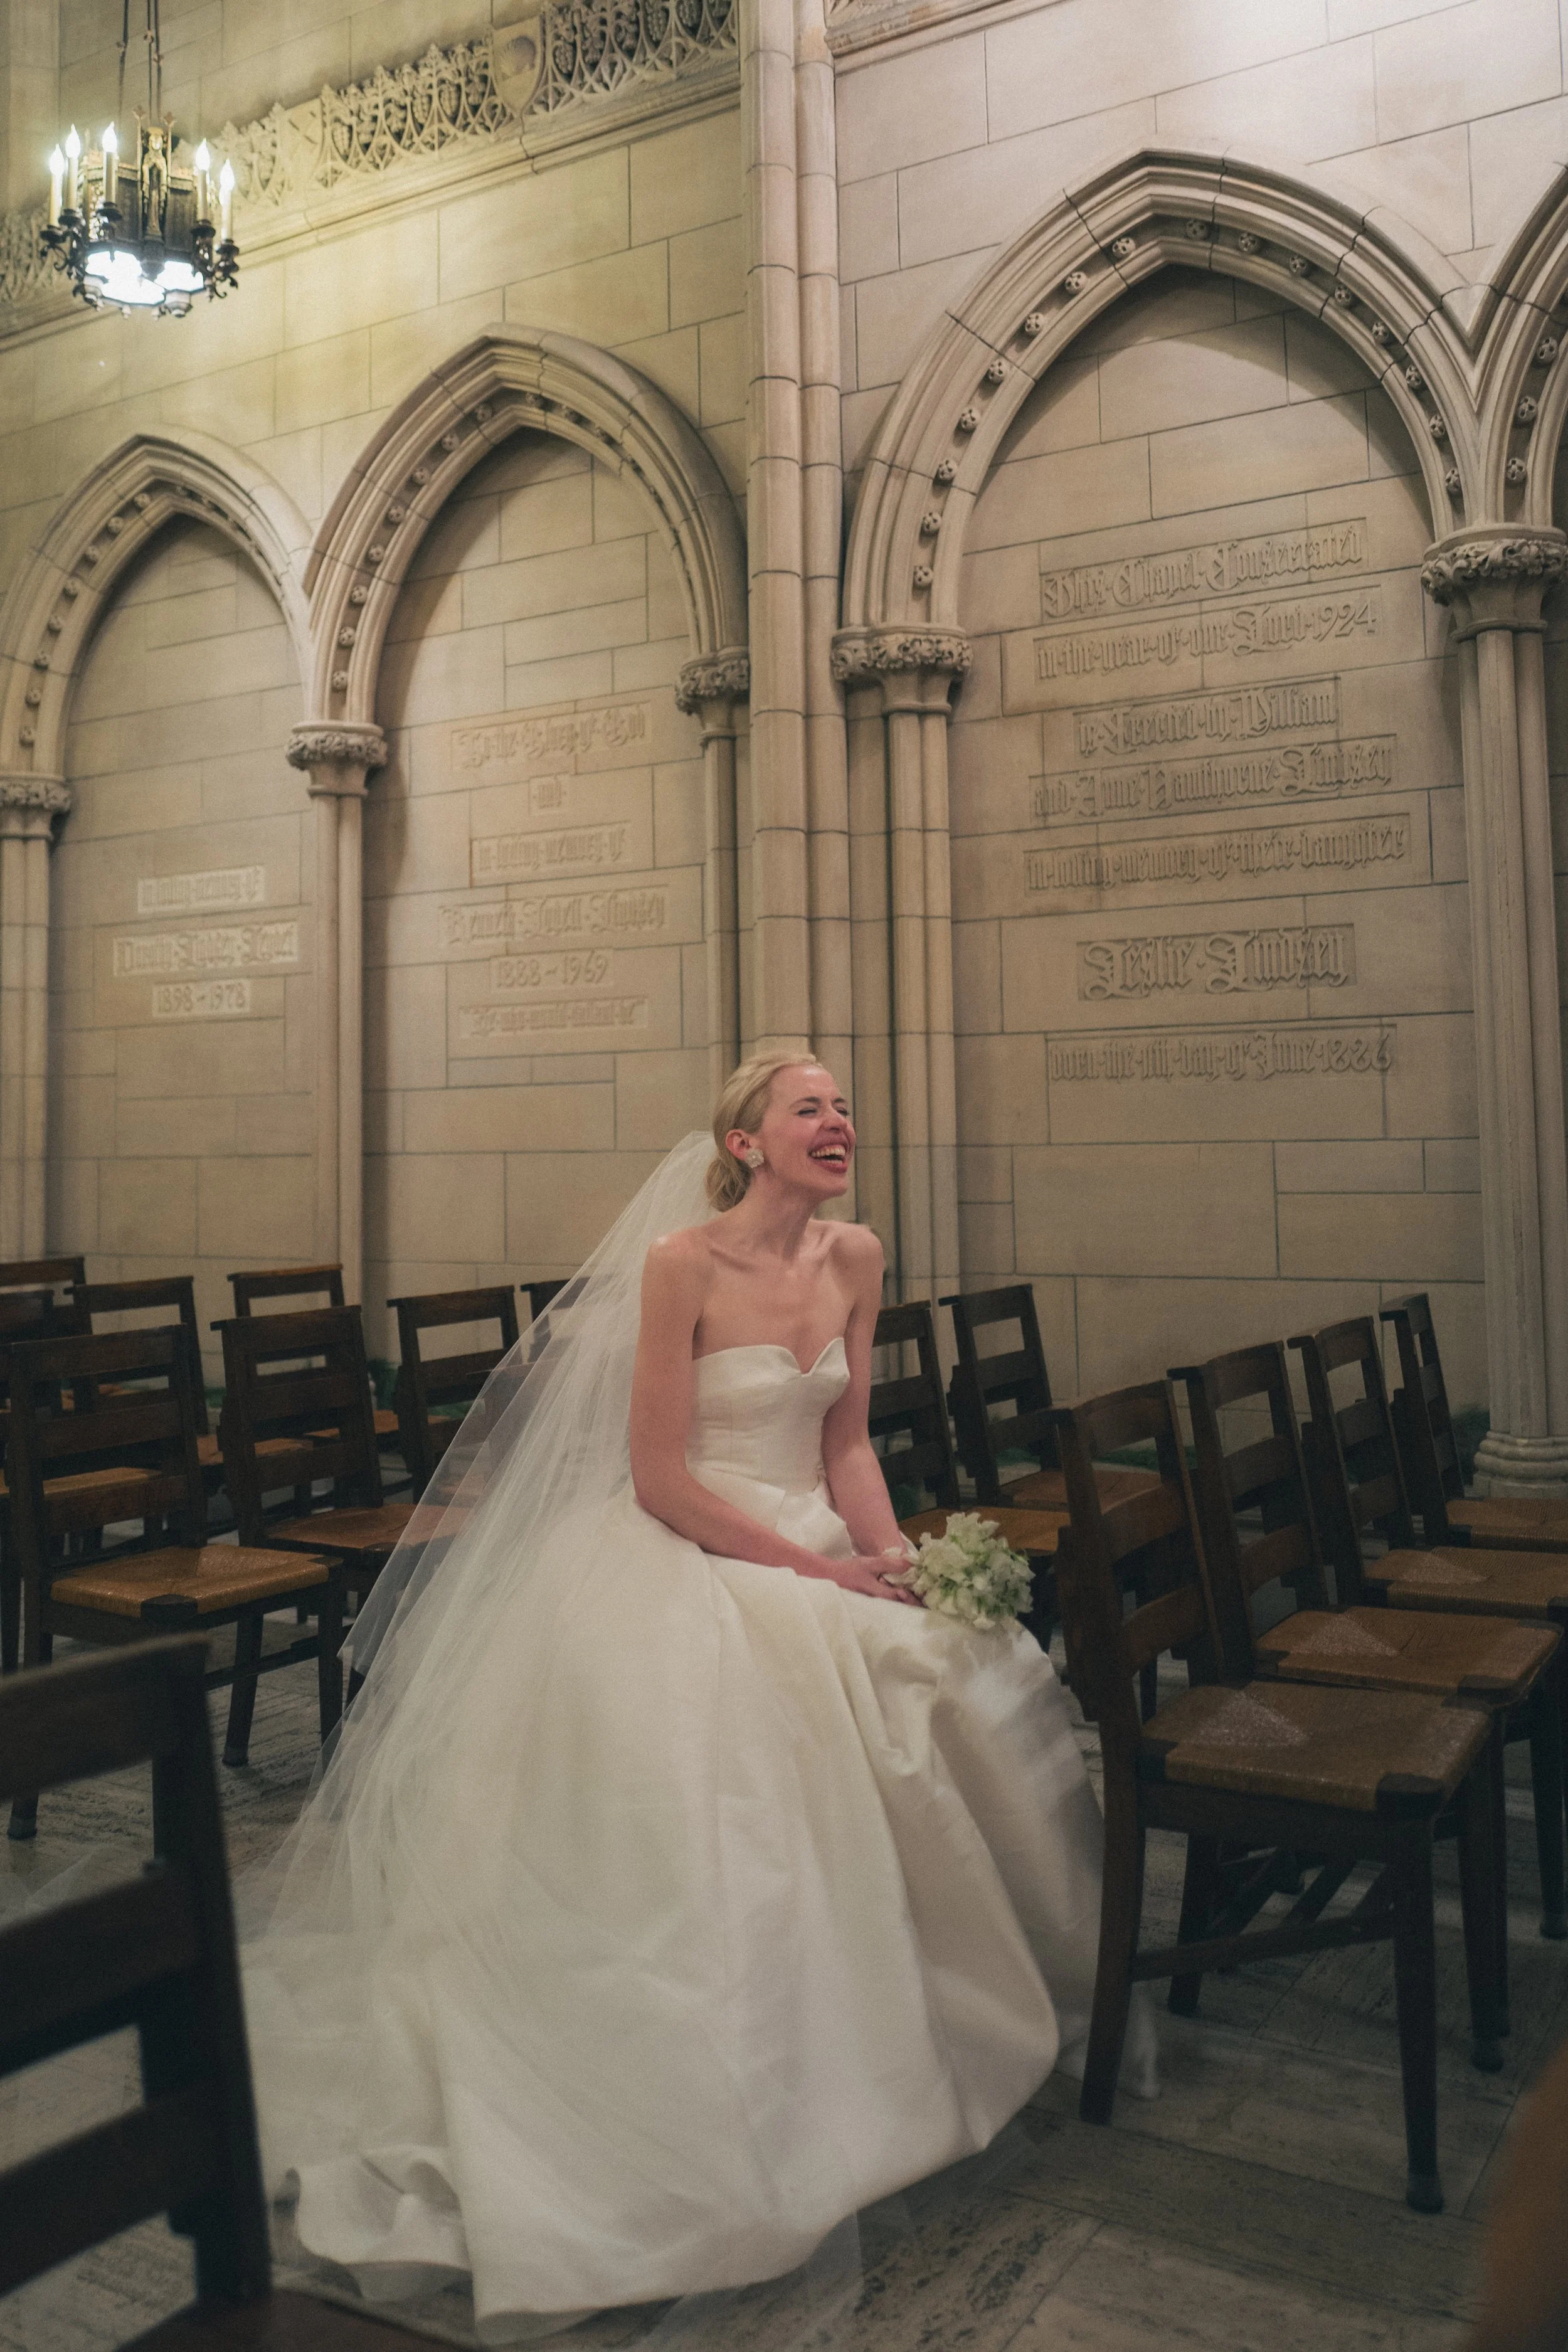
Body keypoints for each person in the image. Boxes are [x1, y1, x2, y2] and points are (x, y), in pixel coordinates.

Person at [241, 1051, 1155, 2344]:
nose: (836, 1122)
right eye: (808, 1106)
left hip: (814, 1537)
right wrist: (815, 1573)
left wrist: (886, 1554)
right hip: (687, 1547)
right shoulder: (678, 1264)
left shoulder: (854, 1257)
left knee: (970, 1672)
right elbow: (662, 1479)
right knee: (736, 1759)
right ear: (744, 1140)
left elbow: (843, 1442)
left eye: (842, 1105)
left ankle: (958, 2010)